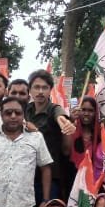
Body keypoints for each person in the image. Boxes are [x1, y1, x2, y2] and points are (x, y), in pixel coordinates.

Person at [26, 69, 76, 198]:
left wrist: (64, 123)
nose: (40, 91)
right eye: (36, 87)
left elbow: (60, 116)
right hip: (26, 175)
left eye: (44, 88)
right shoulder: (25, 110)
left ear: (50, 90)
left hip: (50, 176)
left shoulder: (54, 109)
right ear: (30, 90)